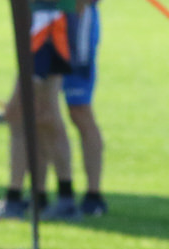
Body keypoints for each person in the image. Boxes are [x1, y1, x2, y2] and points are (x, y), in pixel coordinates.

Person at [0, 0, 84, 222]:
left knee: (23, 112)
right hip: (44, 23)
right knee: (41, 114)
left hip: (49, 25)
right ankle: (53, 196)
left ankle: (16, 199)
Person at [62, 0, 107, 215]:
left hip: (78, 22)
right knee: (42, 109)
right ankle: (45, 193)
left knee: (79, 111)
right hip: (50, 20)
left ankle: (93, 194)